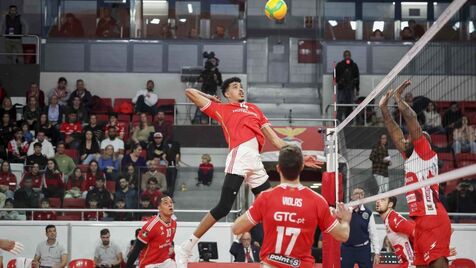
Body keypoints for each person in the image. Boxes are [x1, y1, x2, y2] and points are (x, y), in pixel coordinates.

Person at [175, 77, 322, 266]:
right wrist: (212, 98)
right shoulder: (221, 109)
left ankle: (276, 255)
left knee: (273, 207)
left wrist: (300, 156)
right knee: (224, 207)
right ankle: (186, 247)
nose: (240, 89)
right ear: (227, 93)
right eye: (235, 87)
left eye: (241, 86)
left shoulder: (254, 109)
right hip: (240, 154)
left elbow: (277, 142)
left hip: (255, 160)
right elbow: (189, 93)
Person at [232, 145, 351, 267]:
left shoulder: (265, 198)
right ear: (302, 167)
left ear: (278, 168)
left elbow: (236, 229)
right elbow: (343, 235)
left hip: (271, 264)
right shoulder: (317, 201)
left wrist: (261, 213)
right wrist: (345, 220)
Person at [380, 80, 452, 267]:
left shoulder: (425, 152)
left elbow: (411, 119)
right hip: (420, 222)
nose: (412, 136)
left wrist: (399, 100)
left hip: (433, 217)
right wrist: (384, 109)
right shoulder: (411, 156)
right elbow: (395, 133)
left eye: (419, 136)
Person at [126, 195, 176, 268]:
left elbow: (168, 242)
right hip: (149, 264)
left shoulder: (174, 223)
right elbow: (136, 249)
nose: (170, 205)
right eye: (166, 203)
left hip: (164, 261)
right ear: (159, 208)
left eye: (171, 202)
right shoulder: (151, 226)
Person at [341, 187, 381, 268]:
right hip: (347, 248)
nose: (359, 196)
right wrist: (351, 210)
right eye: (356, 193)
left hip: (363, 249)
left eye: (362, 194)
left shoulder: (368, 212)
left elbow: (373, 233)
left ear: (364, 197)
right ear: (351, 197)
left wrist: (377, 252)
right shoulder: (344, 209)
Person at [376, 197, 415, 267]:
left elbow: (416, 232)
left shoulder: (394, 219)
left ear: (390, 204)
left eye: (383, 200)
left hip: (410, 265)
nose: (378, 202)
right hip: (405, 263)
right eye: (378, 200)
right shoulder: (388, 219)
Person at [335, 50, 360, 123]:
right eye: (346, 55)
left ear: (350, 56)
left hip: (351, 88)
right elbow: (335, 76)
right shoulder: (339, 65)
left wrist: (357, 89)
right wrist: (339, 81)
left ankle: (349, 122)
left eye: (348, 55)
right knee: (341, 105)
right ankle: (338, 121)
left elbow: (357, 77)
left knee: (350, 105)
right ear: (343, 56)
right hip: (342, 88)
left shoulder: (354, 65)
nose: (347, 57)